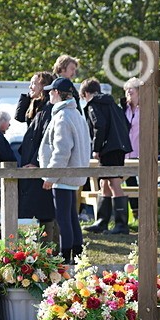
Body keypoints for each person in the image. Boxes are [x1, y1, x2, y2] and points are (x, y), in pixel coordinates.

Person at [38, 76, 91, 264]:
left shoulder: (62, 116)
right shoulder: (75, 114)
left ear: (57, 93)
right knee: (71, 218)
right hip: (73, 174)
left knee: (63, 219)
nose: (49, 94)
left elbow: (61, 151)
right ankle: (77, 257)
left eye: (51, 91)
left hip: (63, 175)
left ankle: (65, 257)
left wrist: (51, 175)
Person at [81, 79, 133, 235]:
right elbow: (127, 123)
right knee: (104, 182)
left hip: (108, 148)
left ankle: (121, 225)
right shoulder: (112, 104)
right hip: (119, 146)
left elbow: (99, 125)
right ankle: (102, 221)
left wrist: (96, 148)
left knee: (114, 182)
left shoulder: (93, 105)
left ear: (86, 94)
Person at [16, 71, 58, 247]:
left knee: (43, 206)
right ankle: (40, 244)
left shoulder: (48, 108)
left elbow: (45, 139)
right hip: (30, 158)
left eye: (34, 83)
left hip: (38, 162)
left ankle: (48, 246)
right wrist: (29, 94)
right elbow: (19, 116)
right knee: (35, 206)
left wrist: (36, 162)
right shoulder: (36, 106)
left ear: (44, 86)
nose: (30, 87)